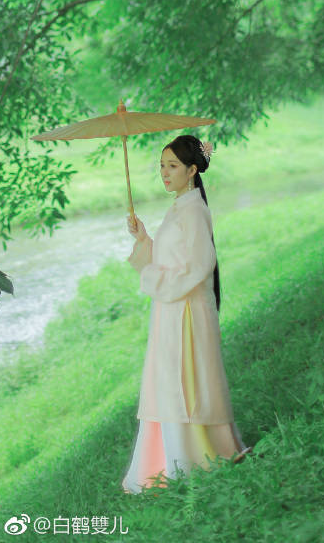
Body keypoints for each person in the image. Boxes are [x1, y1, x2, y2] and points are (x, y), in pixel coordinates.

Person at [121, 134, 251, 493]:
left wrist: (150, 276)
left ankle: (194, 458)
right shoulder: (181, 205)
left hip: (186, 314)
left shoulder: (193, 210)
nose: (164, 173)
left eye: (172, 166)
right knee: (170, 380)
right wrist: (144, 239)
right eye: (162, 165)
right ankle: (170, 458)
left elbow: (197, 265)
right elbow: (172, 258)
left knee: (185, 381)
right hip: (172, 310)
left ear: (192, 170)